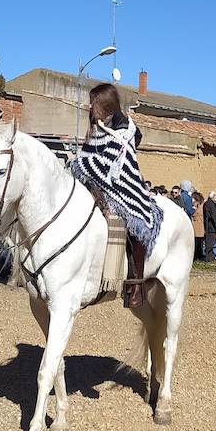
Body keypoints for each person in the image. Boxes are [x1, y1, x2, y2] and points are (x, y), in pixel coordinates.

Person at [70, 83, 162, 308]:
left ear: (105, 103)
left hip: (123, 188)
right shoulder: (98, 127)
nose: (90, 107)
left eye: (94, 102)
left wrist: (79, 162)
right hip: (95, 185)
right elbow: (89, 155)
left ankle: (136, 283)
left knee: (134, 221)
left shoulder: (124, 127)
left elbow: (108, 161)